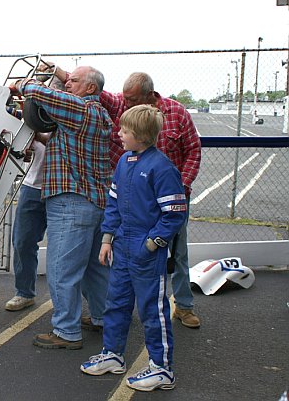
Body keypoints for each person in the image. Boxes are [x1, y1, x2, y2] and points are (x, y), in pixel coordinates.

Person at [49, 65, 202, 328]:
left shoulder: (177, 113)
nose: (125, 103)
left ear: (149, 96)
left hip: (168, 198)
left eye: (131, 99)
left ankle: (183, 306)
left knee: (177, 252)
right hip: (135, 198)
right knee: (128, 251)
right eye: (124, 97)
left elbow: (193, 152)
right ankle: (133, 310)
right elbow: (93, 87)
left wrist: (180, 190)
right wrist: (59, 72)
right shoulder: (120, 104)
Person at [80, 105, 187, 392]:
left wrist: (153, 244)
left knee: (153, 311)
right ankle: (113, 354)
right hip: (122, 249)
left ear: (140, 135)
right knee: (116, 303)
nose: (119, 134)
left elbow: (175, 213)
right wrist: (106, 239)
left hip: (146, 252)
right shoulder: (125, 162)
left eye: (124, 131)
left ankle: (162, 369)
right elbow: (113, 205)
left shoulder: (162, 168)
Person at [11, 65, 112, 349]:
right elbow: (67, 144)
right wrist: (42, 139)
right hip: (95, 203)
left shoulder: (80, 109)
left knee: (61, 269)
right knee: (95, 268)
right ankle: (103, 318)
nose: (68, 84)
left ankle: (66, 331)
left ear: (91, 88)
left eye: (74, 81)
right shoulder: (98, 115)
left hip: (71, 202)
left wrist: (21, 82)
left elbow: (35, 91)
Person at [4, 132, 50, 311]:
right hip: (31, 187)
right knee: (22, 242)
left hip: (61, 188)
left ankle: (67, 301)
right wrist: (25, 148)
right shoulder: (32, 121)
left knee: (62, 250)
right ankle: (24, 293)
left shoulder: (65, 114)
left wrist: (38, 137)